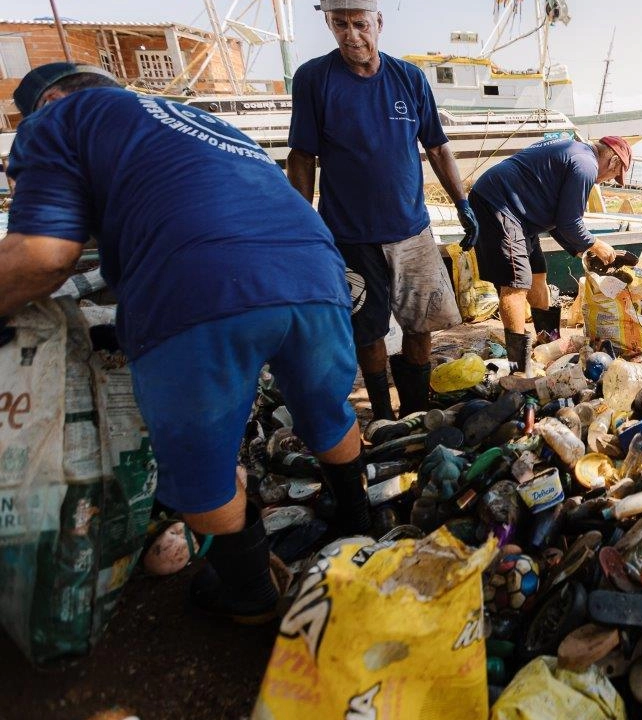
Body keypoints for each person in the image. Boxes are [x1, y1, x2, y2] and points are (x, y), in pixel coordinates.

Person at [1, 63, 372, 623]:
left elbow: (42, 255)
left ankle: (249, 596)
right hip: (317, 275)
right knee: (326, 408)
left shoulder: (57, 119)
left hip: (199, 287)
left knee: (200, 464)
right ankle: (359, 523)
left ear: (48, 98)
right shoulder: (195, 119)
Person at [287, 0, 477, 422]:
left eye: (360, 23)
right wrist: (300, 224)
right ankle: (383, 416)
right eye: (340, 24)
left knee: (422, 324)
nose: (352, 34)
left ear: (379, 22)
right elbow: (301, 156)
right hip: (351, 236)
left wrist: (463, 201)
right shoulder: (314, 79)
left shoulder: (409, 78)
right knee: (367, 330)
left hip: (412, 231)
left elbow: (437, 146)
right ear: (329, 25)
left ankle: (414, 410)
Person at [466, 136, 629, 370]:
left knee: (537, 274)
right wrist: (595, 244)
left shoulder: (575, 152)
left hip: (521, 215)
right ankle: (519, 367)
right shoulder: (586, 164)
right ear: (613, 160)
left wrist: (581, 250)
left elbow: (559, 221)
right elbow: (570, 222)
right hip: (498, 204)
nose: (605, 181)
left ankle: (548, 343)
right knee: (515, 284)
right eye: (614, 176)